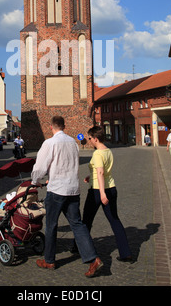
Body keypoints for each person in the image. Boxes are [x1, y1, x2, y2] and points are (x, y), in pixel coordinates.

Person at [31, 116, 103, 278]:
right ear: (64, 126)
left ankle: (49, 260)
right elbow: (69, 164)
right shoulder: (73, 143)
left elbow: (40, 167)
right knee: (78, 225)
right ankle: (93, 258)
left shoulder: (49, 143)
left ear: (51, 127)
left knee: (51, 225)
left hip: (56, 190)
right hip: (73, 190)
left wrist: (35, 181)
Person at [78, 126, 133, 263]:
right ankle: (125, 252)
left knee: (86, 221)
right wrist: (91, 177)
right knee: (115, 220)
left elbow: (101, 172)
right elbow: (102, 171)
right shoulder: (108, 151)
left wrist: (102, 193)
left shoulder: (97, 153)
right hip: (111, 187)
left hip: (98, 191)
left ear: (95, 138)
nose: (89, 141)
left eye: (90, 138)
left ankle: (78, 247)